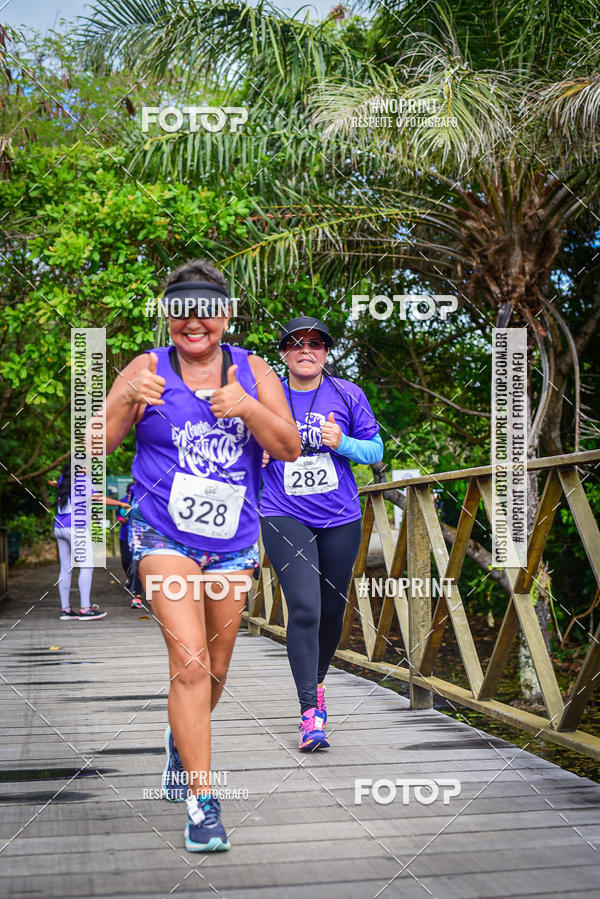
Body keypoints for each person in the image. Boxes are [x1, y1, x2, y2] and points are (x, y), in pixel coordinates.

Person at [102, 259, 300, 852]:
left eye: (207, 311)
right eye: (182, 309)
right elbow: (92, 445)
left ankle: (179, 741)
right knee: (188, 664)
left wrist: (247, 407)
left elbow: (287, 446)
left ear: (226, 315)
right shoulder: (145, 367)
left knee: (213, 670)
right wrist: (125, 402)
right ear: (168, 315)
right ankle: (201, 800)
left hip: (234, 542)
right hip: (160, 534)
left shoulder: (253, 369)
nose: (195, 322)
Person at [259, 316, 384, 750]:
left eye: (315, 343)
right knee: (306, 609)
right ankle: (310, 712)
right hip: (282, 512)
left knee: (332, 612)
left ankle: (317, 681)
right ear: (284, 354)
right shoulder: (264, 393)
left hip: (340, 517)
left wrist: (342, 442)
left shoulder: (348, 394)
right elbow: (237, 440)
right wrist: (252, 454)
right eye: (295, 344)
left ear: (326, 352)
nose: (305, 350)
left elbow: (375, 449)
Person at [52, 461, 128, 620]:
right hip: (76, 528)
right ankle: (85, 609)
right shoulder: (83, 480)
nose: (87, 467)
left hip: (59, 527)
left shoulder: (63, 480)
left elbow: (62, 489)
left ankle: (65, 610)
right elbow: (99, 498)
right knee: (87, 566)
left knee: (65, 568)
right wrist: (120, 503)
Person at [117, 482, 143, 608]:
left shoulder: (142, 502)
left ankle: (137, 596)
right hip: (124, 536)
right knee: (126, 562)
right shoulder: (123, 502)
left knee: (135, 565)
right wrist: (122, 520)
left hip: (139, 539)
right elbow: (119, 517)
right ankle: (132, 580)